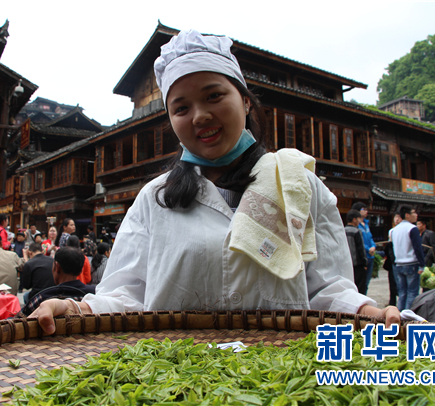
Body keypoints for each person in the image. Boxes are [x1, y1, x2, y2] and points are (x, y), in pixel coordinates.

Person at [30, 29, 399, 333]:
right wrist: (75, 308)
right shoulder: (154, 198)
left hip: (280, 378)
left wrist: (368, 312)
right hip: (174, 379)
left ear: (246, 101)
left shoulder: (298, 185)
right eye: (181, 107)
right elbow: (125, 296)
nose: (200, 116)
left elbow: (327, 290)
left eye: (214, 96)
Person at [20, 247, 96, 317]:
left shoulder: (42, 298)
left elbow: (20, 319)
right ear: (81, 270)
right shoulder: (94, 294)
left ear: (57, 267)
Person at [391, 205, 426, 311]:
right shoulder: (412, 228)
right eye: (413, 212)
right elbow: (417, 248)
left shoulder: (394, 230)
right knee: (412, 293)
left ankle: (400, 314)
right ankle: (409, 315)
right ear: (407, 215)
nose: (416, 215)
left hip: (399, 264)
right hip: (411, 263)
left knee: (402, 293)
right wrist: (422, 264)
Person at [351, 202, 376, 295]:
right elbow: (359, 242)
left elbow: (370, 238)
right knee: (360, 283)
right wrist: (368, 249)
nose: (366, 211)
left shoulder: (366, 224)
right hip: (362, 257)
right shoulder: (356, 225)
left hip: (370, 256)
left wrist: (373, 246)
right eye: (363, 209)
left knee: (366, 282)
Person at [344, 209, 367, 294]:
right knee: (360, 288)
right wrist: (365, 262)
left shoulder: (342, 230)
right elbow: (361, 249)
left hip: (346, 264)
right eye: (358, 219)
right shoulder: (357, 231)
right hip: (357, 264)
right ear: (354, 219)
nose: (359, 221)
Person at [383, 213, 402, 307]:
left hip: (401, 260)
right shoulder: (392, 231)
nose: (397, 219)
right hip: (392, 260)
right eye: (395, 217)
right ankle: (392, 301)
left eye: (399, 217)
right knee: (392, 282)